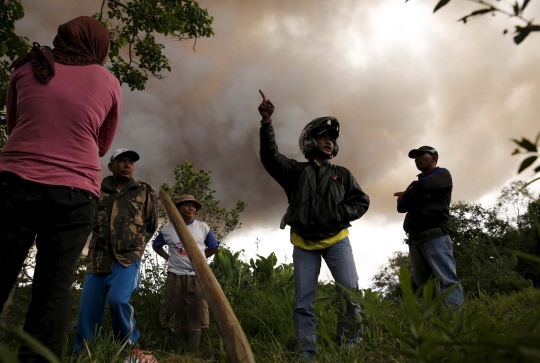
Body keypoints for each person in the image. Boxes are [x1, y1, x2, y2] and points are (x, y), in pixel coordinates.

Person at [0, 16, 120, 362]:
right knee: (53, 290)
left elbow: (15, 124)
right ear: (98, 47)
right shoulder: (108, 81)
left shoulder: (26, 68)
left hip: (15, 183)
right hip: (74, 194)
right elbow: (101, 145)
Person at [257, 90, 370, 359]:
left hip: (337, 240)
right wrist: (266, 122)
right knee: (303, 302)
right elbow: (270, 158)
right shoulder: (295, 172)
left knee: (350, 294)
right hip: (304, 244)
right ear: (311, 141)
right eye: (323, 137)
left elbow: (362, 201)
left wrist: (340, 214)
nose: (329, 142)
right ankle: (305, 351)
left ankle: (350, 347)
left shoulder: (342, 175)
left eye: (332, 139)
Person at [74, 149, 158, 353]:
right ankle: (84, 353)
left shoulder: (144, 191)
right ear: (111, 166)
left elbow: (151, 224)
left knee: (118, 300)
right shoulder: (97, 189)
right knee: (88, 309)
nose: (127, 165)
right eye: (121, 161)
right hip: (98, 258)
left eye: (131, 162)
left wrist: (136, 245)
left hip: (128, 259)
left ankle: (127, 348)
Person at [394, 146, 463, 308]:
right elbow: (401, 207)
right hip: (415, 238)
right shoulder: (415, 183)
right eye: (415, 157)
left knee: (447, 278)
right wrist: (416, 194)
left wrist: (409, 193)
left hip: (436, 235)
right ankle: (435, 322)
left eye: (421, 155)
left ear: (433, 158)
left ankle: (456, 322)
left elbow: (423, 187)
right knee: (425, 286)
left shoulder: (442, 174)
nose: (417, 159)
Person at [153, 195, 220, 352]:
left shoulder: (202, 227)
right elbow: (156, 245)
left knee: (197, 310)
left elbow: (214, 247)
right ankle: (173, 351)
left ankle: (192, 353)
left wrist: (200, 261)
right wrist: (168, 258)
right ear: (177, 209)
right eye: (186, 205)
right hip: (174, 275)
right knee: (171, 308)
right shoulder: (168, 229)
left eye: (193, 206)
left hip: (196, 276)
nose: (191, 208)